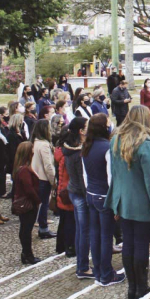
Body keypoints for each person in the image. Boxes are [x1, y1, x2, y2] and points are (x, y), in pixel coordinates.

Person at [107, 106, 150, 299]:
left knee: (129, 244)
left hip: (124, 202)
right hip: (142, 203)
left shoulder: (116, 140)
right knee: (140, 245)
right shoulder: (145, 144)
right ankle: (141, 286)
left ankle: (132, 287)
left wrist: (115, 202)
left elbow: (114, 175)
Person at [81, 113, 125, 286]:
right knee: (106, 236)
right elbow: (111, 177)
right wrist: (115, 202)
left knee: (95, 234)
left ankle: (98, 270)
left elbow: (85, 175)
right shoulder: (107, 147)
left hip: (91, 194)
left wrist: (90, 190)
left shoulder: (86, 146)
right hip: (104, 196)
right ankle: (106, 274)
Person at [63, 116, 93, 279]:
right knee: (84, 232)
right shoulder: (78, 153)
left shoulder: (71, 147)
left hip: (74, 192)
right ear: (81, 131)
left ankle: (82, 264)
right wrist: (89, 197)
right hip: (80, 194)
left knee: (81, 230)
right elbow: (83, 179)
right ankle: (82, 267)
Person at [11, 142, 42, 264]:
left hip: (24, 203)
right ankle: (28, 254)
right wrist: (37, 200)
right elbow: (29, 189)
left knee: (25, 229)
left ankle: (26, 253)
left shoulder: (19, 168)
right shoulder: (24, 170)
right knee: (26, 230)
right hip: (28, 204)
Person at [54, 119, 79, 258]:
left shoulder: (59, 150)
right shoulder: (67, 155)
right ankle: (69, 246)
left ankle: (61, 245)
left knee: (64, 220)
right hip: (67, 190)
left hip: (62, 189)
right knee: (70, 221)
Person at [29, 120, 56, 239]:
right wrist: (53, 180)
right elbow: (48, 165)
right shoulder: (44, 145)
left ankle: (42, 226)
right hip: (43, 179)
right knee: (44, 204)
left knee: (41, 203)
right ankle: (43, 229)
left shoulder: (34, 143)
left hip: (36, 177)